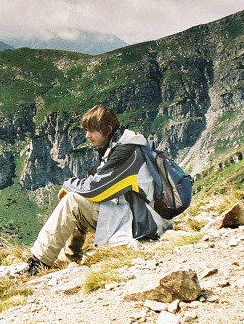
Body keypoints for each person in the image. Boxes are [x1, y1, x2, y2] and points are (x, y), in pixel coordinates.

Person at [23, 104, 171, 276]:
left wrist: (68, 184)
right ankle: (70, 258)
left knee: (73, 201)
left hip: (141, 222)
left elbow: (96, 190)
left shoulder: (127, 152)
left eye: (92, 130)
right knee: (78, 199)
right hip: (135, 212)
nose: (87, 135)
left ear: (107, 129)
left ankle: (39, 262)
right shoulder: (121, 145)